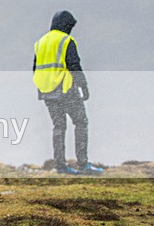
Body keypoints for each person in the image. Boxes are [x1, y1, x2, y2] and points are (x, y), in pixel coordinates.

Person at [33, 10, 103, 175]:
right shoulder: (66, 40)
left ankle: (60, 166)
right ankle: (83, 164)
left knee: (58, 126)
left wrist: (44, 87)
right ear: (66, 25)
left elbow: (35, 68)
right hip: (65, 89)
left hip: (46, 91)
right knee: (81, 122)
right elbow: (74, 65)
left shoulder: (40, 42)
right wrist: (83, 86)